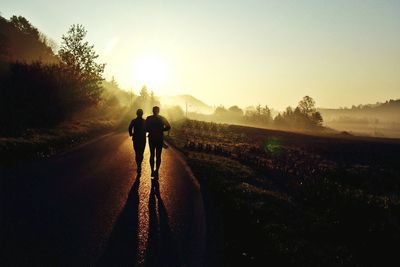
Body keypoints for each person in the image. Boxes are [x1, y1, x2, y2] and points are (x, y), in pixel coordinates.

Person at [145, 106, 171, 178]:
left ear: (152, 111)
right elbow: (168, 126)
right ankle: (157, 171)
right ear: (158, 111)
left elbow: (145, 128)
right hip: (159, 138)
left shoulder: (149, 118)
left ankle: (152, 171)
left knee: (152, 154)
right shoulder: (162, 118)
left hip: (151, 138)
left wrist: (150, 130)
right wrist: (161, 130)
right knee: (158, 155)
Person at [129, 109, 146, 173]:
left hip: (136, 139)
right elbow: (147, 129)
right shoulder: (144, 121)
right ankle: (139, 165)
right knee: (141, 153)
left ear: (136, 113)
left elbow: (130, 127)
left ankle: (138, 165)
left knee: (137, 153)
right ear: (142, 114)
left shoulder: (133, 121)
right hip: (142, 139)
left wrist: (131, 134)